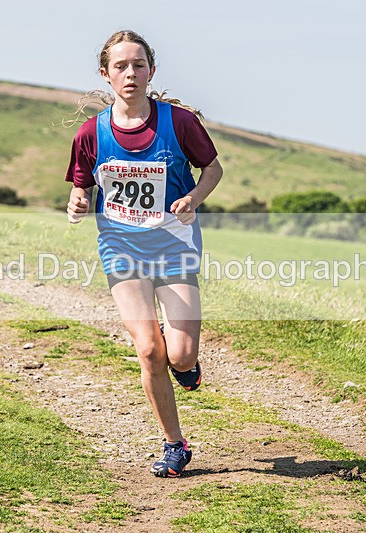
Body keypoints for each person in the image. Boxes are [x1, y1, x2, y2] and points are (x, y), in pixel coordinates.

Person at [64, 30, 223, 478]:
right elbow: (82, 186)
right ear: (105, 74)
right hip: (122, 249)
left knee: (181, 355)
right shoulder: (90, 133)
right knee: (150, 351)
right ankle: (175, 444)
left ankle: (187, 368)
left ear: (151, 70)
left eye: (138, 65)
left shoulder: (179, 124)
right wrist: (77, 201)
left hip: (174, 246)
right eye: (120, 66)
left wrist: (193, 197)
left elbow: (213, 169)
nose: (130, 73)